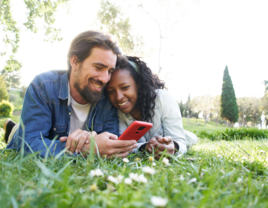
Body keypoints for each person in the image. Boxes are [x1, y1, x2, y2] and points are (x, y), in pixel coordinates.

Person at [4, 30, 138, 158]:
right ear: (75, 62)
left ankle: (12, 128)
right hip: (26, 132)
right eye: (98, 68)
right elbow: (28, 145)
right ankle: (13, 130)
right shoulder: (43, 86)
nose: (104, 79)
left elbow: (111, 145)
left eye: (109, 71)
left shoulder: (107, 97)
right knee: (17, 135)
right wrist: (88, 149)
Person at [106, 56, 198, 159]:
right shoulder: (116, 112)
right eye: (111, 91)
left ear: (139, 84)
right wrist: (145, 147)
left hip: (176, 134)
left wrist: (174, 146)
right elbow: (123, 145)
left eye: (125, 87)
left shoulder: (163, 99)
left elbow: (180, 142)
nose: (118, 97)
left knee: (190, 139)